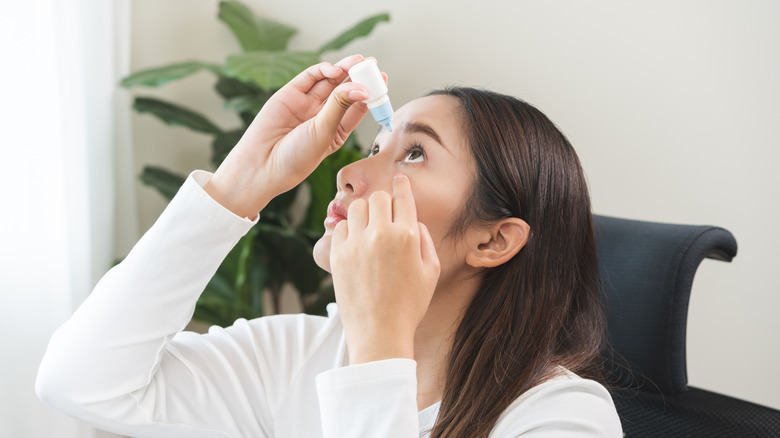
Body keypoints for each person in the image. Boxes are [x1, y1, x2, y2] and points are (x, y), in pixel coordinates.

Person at [36, 54, 622, 437]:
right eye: (374, 148)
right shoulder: (294, 354)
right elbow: (80, 383)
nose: (348, 173)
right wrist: (239, 185)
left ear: (493, 239)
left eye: (415, 153)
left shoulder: (563, 418)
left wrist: (381, 339)